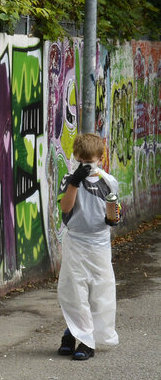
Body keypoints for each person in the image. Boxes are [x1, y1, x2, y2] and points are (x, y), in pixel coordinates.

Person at [56, 132, 121, 360]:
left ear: (100, 158)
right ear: (76, 157)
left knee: (99, 292)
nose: (87, 165)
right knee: (75, 291)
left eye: (91, 161)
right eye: (83, 162)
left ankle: (80, 335)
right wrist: (75, 181)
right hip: (76, 242)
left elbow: (113, 209)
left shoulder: (107, 181)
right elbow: (65, 208)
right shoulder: (68, 180)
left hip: (99, 243)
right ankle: (80, 338)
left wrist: (112, 218)